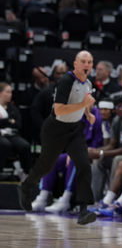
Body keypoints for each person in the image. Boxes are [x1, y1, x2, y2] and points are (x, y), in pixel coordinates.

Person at [19, 50, 97, 225]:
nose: (86, 65)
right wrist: (83, 104)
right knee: (45, 166)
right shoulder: (66, 81)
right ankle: (25, 187)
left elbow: (85, 101)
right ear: (75, 64)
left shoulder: (88, 83)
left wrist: (88, 113)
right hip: (55, 128)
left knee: (84, 164)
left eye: (89, 62)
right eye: (83, 61)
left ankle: (83, 209)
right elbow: (59, 109)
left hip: (75, 129)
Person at [0, 82, 32, 180]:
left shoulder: (13, 109)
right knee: (5, 145)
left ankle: (26, 173)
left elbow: (18, 124)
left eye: (11, 92)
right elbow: (9, 122)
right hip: (1, 135)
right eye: (8, 92)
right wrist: (9, 121)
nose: (10, 94)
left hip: (12, 134)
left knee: (25, 146)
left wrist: (5, 121)